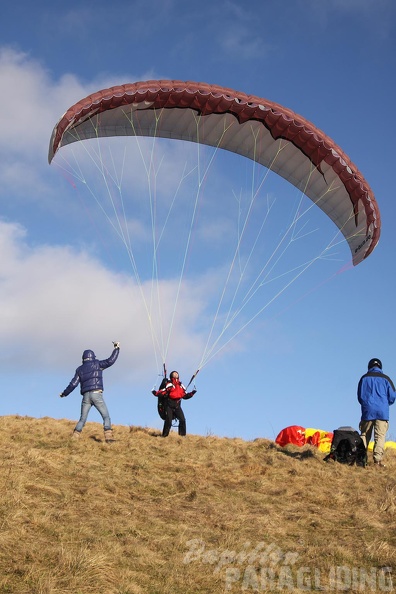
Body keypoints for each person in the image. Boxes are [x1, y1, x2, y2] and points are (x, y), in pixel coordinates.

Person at [60, 341, 120, 442]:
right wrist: (116, 349)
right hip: (97, 394)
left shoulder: (79, 369)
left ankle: (74, 438)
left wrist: (64, 393)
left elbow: (73, 384)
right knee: (106, 416)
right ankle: (108, 438)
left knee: (82, 419)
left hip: (86, 397)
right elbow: (110, 361)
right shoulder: (98, 364)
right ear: (93, 357)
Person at [357, 358, 396, 468]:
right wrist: (384, 403)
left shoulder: (364, 378)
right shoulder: (386, 379)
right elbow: (393, 396)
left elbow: (360, 396)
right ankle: (377, 461)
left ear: (369, 366)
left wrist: (366, 403)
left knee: (364, 434)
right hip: (382, 412)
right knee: (380, 436)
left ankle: (361, 460)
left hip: (367, 410)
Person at [152, 370, 196, 437]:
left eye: (176, 373)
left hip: (177, 406)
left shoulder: (181, 385)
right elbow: (164, 391)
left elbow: (184, 395)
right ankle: (164, 435)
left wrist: (192, 393)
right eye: (174, 373)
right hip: (169, 405)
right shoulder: (169, 384)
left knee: (182, 419)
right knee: (168, 421)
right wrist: (156, 393)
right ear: (171, 375)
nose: (175, 374)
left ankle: (182, 435)